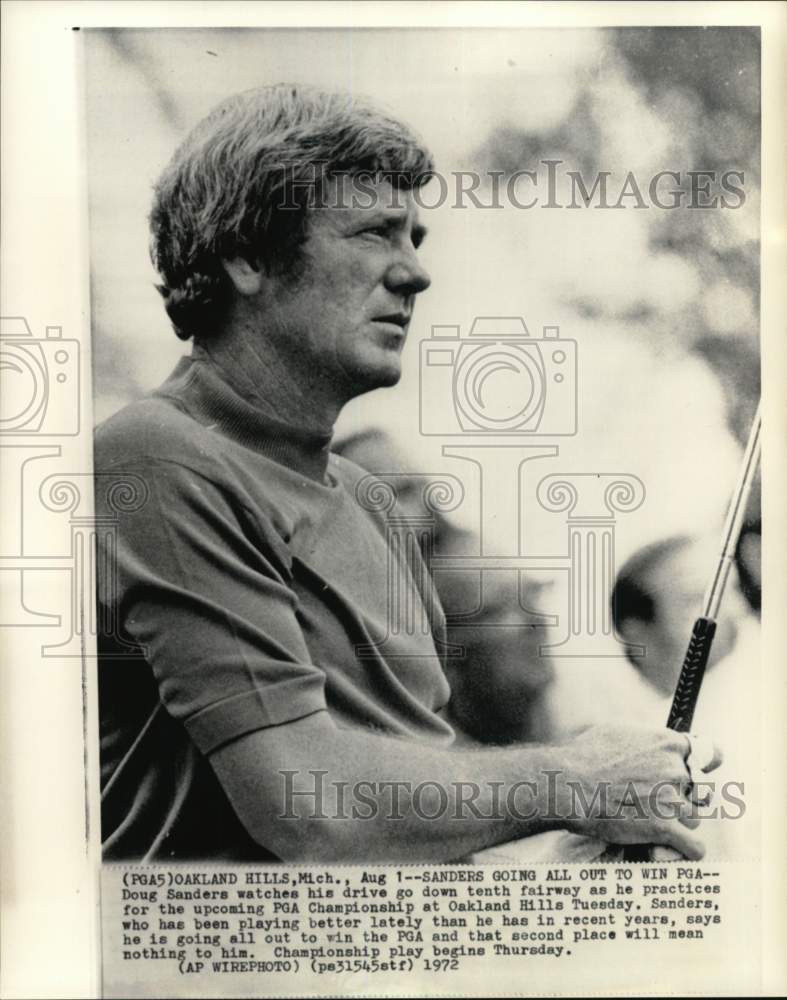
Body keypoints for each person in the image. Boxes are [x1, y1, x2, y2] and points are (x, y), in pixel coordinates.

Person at [95, 83, 719, 863]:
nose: (415, 274)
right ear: (246, 255)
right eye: (375, 234)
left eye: (416, 237)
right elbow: (309, 804)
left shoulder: (369, 503)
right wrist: (572, 784)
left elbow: (415, 792)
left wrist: (583, 841)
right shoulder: (154, 459)